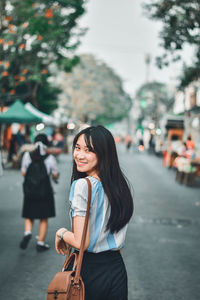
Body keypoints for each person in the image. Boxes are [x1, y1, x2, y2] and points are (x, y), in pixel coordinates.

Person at [55, 125, 134, 300]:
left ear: (103, 153)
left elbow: (80, 242)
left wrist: (61, 233)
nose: (80, 155)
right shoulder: (120, 185)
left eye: (89, 150)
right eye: (77, 148)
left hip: (89, 272)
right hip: (116, 270)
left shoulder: (83, 185)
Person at [20, 133, 59, 252]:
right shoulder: (50, 158)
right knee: (43, 217)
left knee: (29, 215)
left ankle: (27, 232)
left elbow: (23, 172)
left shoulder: (27, 155)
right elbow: (55, 174)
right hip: (45, 191)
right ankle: (40, 242)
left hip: (30, 191)